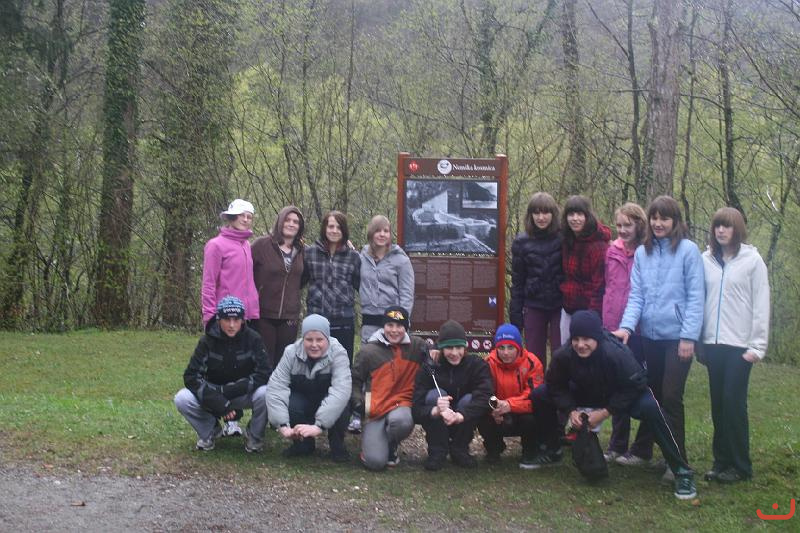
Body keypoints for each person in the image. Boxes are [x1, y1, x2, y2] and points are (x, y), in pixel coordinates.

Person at [541, 310, 697, 500]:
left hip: (621, 394)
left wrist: (606, 412)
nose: (580, 345)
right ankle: (549, 449)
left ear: (597, 337)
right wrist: (571, 410)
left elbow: (636, 385)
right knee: (540, 394)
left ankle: (681, 470)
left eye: (586, 339)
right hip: (586, 393)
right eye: (576, 339)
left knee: (651, 407)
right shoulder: (563, 355)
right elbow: (555, 385)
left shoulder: (616, 353)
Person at [613, 196, 704, 479]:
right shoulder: (643, 252)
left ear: (675, 221)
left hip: (678, 339)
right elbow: (637, 296)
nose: (658, 223)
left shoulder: (689, 251)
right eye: (654, 218)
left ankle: (677, 463)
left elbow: (696, 297)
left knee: (671, 397)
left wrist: (688, 336)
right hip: (650, 336)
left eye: (664, 218)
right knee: (652, 396)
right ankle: (643, 451)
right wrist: (627, 327)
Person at [701, 207, 769, 483]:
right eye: (717, 225)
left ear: (737, 229)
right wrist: (699, 340)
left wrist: (757, 347)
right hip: (713, 345)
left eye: (727, 226)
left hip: (740, 347)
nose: (721, 230)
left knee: (733, 404)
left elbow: (761, 304)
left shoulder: (752, 261)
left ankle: (741, 466)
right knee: (718, 405)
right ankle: (721, 462)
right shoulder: (705, 260)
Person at [174, 296, 270, 453]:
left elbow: (264, 373)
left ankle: (254, 436)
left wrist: (231, 391)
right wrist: (218, 402)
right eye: (227, 319)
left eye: (236, 320)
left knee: (266, 393)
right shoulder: (207, 341)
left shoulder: (253, 339)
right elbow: (191, 376)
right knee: (182, 398)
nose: (232, 325)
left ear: (243, 320)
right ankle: (210, 430)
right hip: (214, 392)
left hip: (243, 392)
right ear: (219, 320)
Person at [201, 199, 260, 437]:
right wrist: (209, 316)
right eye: (241, 215)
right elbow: (208, 283)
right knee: (224, 369)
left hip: (247, 316)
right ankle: (227, 419)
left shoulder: (246, 245)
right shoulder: (215, 245)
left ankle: (237, 418)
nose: (245, 219)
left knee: (243, 369)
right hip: (224, 318)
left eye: (249, 216)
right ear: (231, 217)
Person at [266, 314, 352, 462]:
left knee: (343, 405)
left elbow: (341, 391)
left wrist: (319, 426)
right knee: (290, 403)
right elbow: (276, 388)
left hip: (328, 399)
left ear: (327, 339)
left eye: (319, 339)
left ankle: (337, 445)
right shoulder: (290, 352)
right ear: (302, 338)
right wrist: (283, 426)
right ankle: (302, 444)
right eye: (309, 339)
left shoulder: (339, 353)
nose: (314, 345)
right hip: (302, 400)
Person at [352, 306, 427, 470]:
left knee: (402, 422)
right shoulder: (368, 351)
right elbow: (355, 380)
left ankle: (391, 444)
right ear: (383, 326)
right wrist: (359, 403)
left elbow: (435, 351)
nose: (394, 330)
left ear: (406, 327)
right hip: (375, 409)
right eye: (390, 325)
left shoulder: (416, 346)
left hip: (401, 404)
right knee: (375, 463)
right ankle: (374, 446)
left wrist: (435, 351)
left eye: (399, 326)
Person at [412, 320, 493, 470]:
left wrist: (461, 415)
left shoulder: (476, 364)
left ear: (465, 347)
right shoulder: (430, 367)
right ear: (441, 348)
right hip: (438, 418)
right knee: (435, 395)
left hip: (463, 416)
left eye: (459, 347)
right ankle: (437, 451)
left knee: (470, 399)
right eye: (449, 348)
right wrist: (435, 410)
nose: (454, 353)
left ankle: (460, 449)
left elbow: (485, 395)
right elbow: (416, 406)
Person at [601, 202, 648, 462]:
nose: (622, 230)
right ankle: (617, 444)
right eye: (619, 225)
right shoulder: (611, 251)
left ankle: (642, 447)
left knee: (642, 383)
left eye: (627, 225)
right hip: (612, 326)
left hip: (640, 329)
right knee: (616, 384)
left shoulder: (647, 251)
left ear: (639, 225)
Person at [477, 324, 544, 469]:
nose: (506, 353)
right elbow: (484, 392)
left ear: (519, 348)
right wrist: (493, 409)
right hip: (498, 411)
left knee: (533, 417)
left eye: (510, 347)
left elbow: (534, 395)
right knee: (482, 415)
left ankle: (530, 450)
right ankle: (494, 449)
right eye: (501, 348)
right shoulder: (488, 363)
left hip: (522, 411)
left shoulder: (532, 363)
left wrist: (509, 405)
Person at [509, 192, 563, 371]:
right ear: (530, 215)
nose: (541, 217)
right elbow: (518, 282)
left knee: (560, 355)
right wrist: (516, 318)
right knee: (534, 358)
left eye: (545, 212)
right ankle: (536, 388)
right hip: (533, 305)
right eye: (536, 213)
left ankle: (557, 387)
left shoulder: (564, 238)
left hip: (560, 305)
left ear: (553, 214)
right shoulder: (521, 243)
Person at [302, 211, 361, 363]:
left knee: (342, 363)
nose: (334, 231)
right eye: (331, 226)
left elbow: (361, 286)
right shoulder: (310, 253)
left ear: (344, 230)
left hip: (343, 319)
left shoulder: (353, 257)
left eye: (339, 227)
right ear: (324, 228)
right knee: (315, 365)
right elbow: (300, 281)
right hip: (316, 318)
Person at [252, 206, 305, 368]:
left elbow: (303, 279)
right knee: (263, 362)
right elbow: (246, 274)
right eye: (287, 220)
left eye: (296, 222)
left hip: (289, 317)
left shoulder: (302, 251)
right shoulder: (261, 245)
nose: (291, 224)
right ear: (280, 222)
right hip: (263, 315)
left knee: (283, 364)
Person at [559, 195, 610, 343]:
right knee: (566, 350)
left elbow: (598, 286)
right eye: (571, 214)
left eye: (580, 214)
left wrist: (592, 317)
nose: (575, 219)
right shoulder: (567, 240)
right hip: (568, 308)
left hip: (588, 311)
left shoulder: (597, 246)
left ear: (587, 216)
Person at [359, 215, 415, 343]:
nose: (382, 234)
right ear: (371, 233)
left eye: (386, 231)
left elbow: (406, 294)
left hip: (393, 321)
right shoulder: (362, 258)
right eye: (378, 231)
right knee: (369, 354)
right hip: (369, 320)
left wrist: (400, 322)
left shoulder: (401, 260)